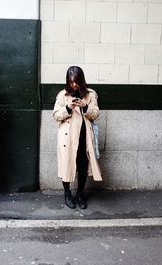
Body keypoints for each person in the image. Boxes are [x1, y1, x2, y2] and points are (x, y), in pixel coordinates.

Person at [52, 66, 102, 209]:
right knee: (66, 164)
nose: (74, 85)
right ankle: (67, 193)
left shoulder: (90, 94)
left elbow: (96, 114)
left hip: (83, 136)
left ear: (81, 80)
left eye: (76, 82)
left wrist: (85, 106)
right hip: (67, 139)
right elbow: (56, 115)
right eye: (71, 82)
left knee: (83, 165)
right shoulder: (62, 95)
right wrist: (68, 108)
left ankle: (80, 193)